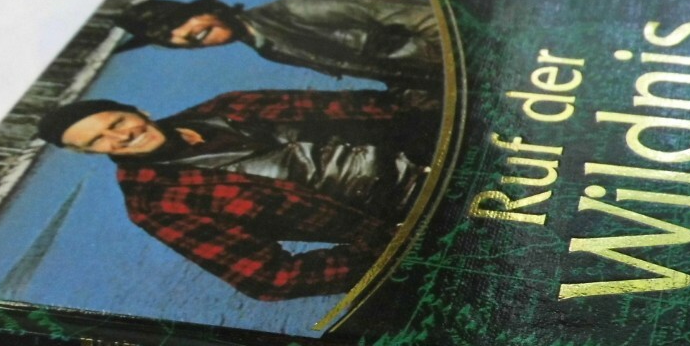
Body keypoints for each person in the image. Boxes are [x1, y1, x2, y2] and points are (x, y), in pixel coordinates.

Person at [34, 89, 442, 301]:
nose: (121, 136)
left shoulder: (230, 106)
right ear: (90, 153)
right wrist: (394, 250)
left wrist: (438, 112)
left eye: (118, 122)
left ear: (139, 111)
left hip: (441, 151)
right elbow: (269, 279)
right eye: (98, 140)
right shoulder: (156, 204)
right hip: (420, 215)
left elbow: (360, 106)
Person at [114, 0, 442, 88]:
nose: (182, 36)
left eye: (176, 22)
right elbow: (378, 69)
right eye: (168, 39)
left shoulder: (302, 7)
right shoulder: (264, 47)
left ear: (208, 9)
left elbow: (432, 19)